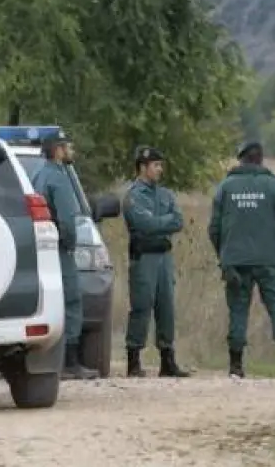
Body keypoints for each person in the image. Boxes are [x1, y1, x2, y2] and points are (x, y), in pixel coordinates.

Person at [208, 141, 275, 380]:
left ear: (241, 160)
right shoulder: (274, 186)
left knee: (238, 311)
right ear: (260, 159)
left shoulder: (225, 187)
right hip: (270, 261)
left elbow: (214, 228)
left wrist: (223, 255)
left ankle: (235, 365)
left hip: (236, 261)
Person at [31, 134, 98, 380]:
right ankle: (70, 362)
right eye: (67, 146)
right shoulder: (59, 178)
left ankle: (51, 359)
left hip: (42, 247)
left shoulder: (38, 174)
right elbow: (67, 220)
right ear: (57, 150)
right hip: (59, 248)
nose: (71, 150)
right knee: (70, 301)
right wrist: (69, 243)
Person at [122, 146, 189, 378]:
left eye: (161, 165)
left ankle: (167, 359)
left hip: (164, 256)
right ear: (143, 167)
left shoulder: (166, 194)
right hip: (144, 257)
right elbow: (144, 224)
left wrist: (158, 222)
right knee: (141, 306)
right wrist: (163, 222)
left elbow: (178, 221)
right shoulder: (133, 196)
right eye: (156, 165)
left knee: (166, 306)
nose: (160, 169)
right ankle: (133, 358)